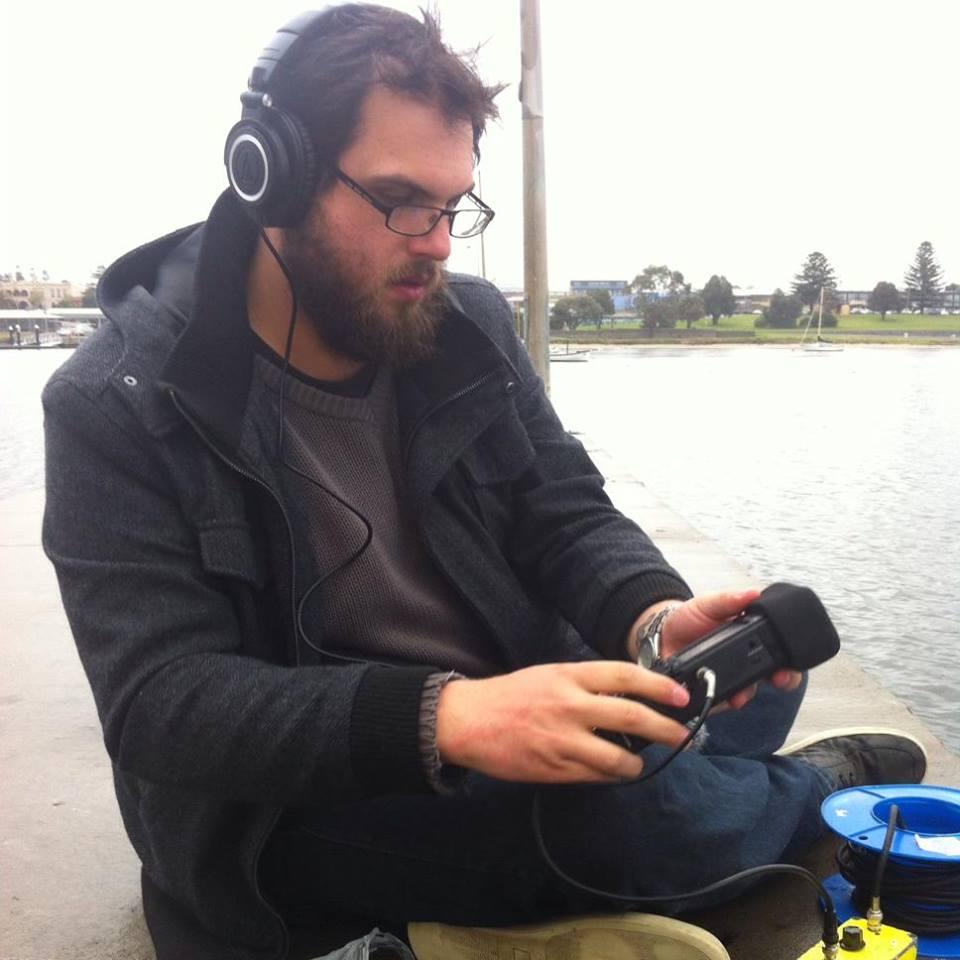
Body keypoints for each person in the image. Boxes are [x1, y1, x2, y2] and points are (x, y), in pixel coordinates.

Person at [42, 6, 925, 960]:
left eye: (453, 205)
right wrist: (449, 718)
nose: (437, 243)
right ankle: (808, 788)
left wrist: (651, 619)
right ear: (271, 177)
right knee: (622, 823)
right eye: (400, 201)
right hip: (308, 796)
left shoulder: (460, 323)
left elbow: (564, 509)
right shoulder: (116, 401)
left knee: (750, 677)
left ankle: (681, 775)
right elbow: (163, 703)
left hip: (509, 691)